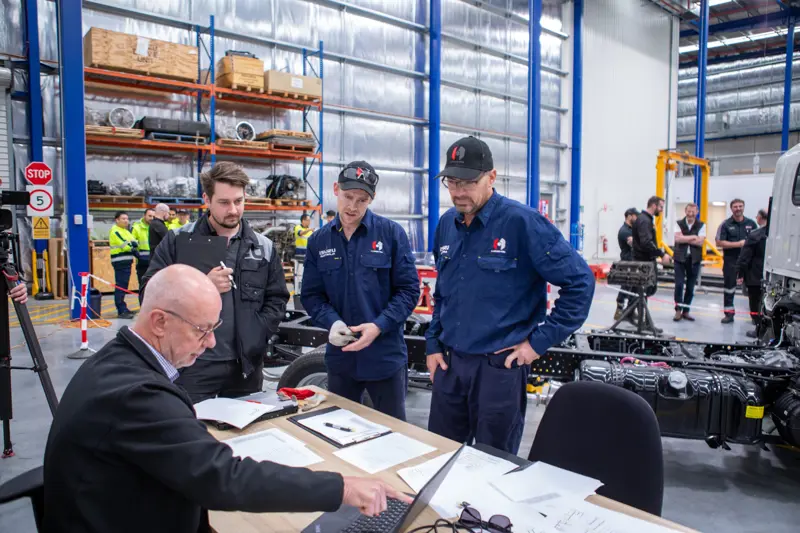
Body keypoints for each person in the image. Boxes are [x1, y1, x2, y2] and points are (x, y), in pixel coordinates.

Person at [43, 264, 410, 533]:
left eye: (214, 328)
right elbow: (223, 479)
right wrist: (342, 486)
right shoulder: (137, 395)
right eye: (202, 330)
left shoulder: (116, 361)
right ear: (159, 322)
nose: (211, 343)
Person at [425, 137, 594, 454]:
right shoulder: (447, 224)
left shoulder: (522, 223)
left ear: (491, 177)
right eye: (452, 182)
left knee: (494, 462)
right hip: (450, 365)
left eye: (468, 182)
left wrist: (536, 344)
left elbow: (581, 282)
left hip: (499, 370)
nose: (458, 192)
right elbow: (443, 291)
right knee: (440, 456)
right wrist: (433, 343)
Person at [143, 162, 290, 403]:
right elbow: (149, 293)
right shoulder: (178, 241)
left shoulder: (263, 247)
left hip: (245, 368)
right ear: (207, 200)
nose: (233, 210)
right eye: (223, 202)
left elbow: (277, 299)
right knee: (190, 423)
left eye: (238, 201)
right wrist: (200, 284)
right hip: (192, 365)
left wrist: (257, 333)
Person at [302, 162, 420, 420]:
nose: (352, 207)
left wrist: (379, 326)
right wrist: (332, 323)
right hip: (341, 360)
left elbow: (409, 290)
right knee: (340, 428)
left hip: (384, 358)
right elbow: (311, 295)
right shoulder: (319, 241)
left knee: (393, 431)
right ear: (336, 189)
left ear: (372, 199)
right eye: (347, 197)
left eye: (362, 200)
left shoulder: (391, 234)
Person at [715, 198, 757, 324]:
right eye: (735, 206)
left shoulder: (752, 224)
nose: (738, 209)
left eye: (740, 206)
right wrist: (738, 244)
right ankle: (729, 314)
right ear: (731, 209)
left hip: (749, 263)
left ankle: (755, 316)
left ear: (743, 207)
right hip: (731, 262)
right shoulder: (725, 224)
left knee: (753, 290)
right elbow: (719, 242)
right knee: (729, 288)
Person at [738, 208, 768, 338]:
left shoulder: (755, 235)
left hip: (755, 276)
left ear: (760, 218)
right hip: (773, 277)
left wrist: (740, 273)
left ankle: (759, 330)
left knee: (755, 304)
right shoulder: (778, 235)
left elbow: (745, 257)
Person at [672, 203, 706, 322]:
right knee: (679, 285)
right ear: (685, 211)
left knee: (690, 287)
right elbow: (677, 239)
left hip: (694, 259)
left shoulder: (702, 225)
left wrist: (684, 238)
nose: (690, 214)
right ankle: (678, 310)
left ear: (697, 212)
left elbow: (700, 242)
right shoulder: (678, 223)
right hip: (679, 259)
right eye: (688, 211)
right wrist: (694, 237)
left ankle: (686, 311)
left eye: (693, 211)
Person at [109, 211, 137, 319]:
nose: (126, 221)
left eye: (127, 219)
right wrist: (132, 247)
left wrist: (133, 245)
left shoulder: (125, 231)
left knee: (124, 286)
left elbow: (134, 241)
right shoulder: (115, 231)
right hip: (120, 262)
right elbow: (124, 244)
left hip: (127, 261)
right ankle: (121, 310)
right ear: (117, 220)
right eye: (123, 219)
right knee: (120, 286)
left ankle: (124, 308)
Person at [614, 207, 639, 320]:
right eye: (635, 216)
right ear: (629, 216)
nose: (637, 218)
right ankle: (619, 310)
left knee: (634, 288)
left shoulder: (632, 230)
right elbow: (635, 244)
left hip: (634, 262)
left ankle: (630, 311)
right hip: (627, 262)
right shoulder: (624, 231)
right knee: (626, 286)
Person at [131, 208, 155, 286]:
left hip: (154, 262)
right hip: (142, 262)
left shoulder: (156, 227)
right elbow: (131, 243)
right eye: (149, 216)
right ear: (144, 216)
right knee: (143, 285)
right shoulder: (136, 228)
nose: (152, 218)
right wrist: (138, 256)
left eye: (153, 216)